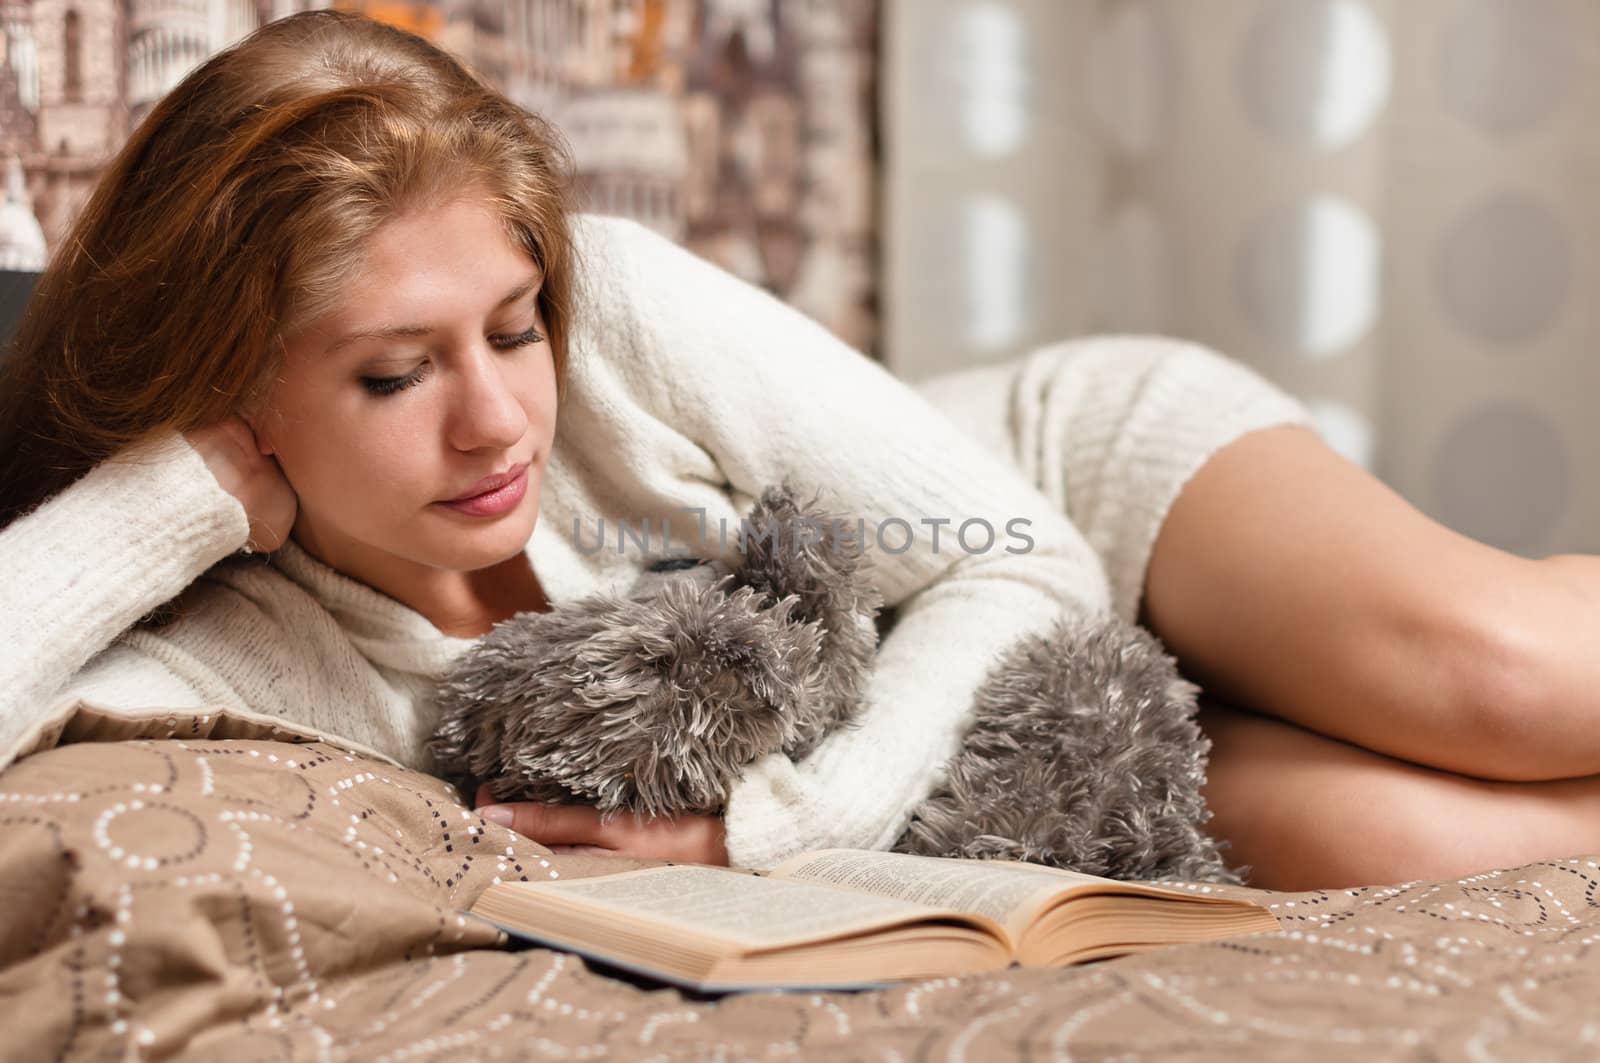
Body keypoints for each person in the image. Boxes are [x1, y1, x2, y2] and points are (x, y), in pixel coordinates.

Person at [1, 11, 1596, 892]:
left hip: (1070, 503)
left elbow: (1027, 557)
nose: (496, 419)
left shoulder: (614, 304)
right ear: (242, 399)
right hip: (1017, 779)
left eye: (510, 327)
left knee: (1503, 682)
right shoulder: (243, 643)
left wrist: (793, 825)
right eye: (392, 375)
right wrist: (165, 496)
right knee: (1428, 848)